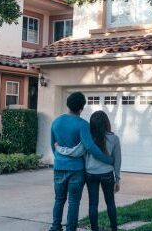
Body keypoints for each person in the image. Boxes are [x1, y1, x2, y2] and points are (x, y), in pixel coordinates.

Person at [50, 92, 114, 231]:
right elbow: (91, 147)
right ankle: (70, 228)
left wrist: (60, 160)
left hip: (59, 167)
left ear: (68, 105)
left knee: (59, 199)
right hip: (76, 169)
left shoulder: (56, 122)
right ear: (81, 108)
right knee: (73, 201)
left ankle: (55, 227)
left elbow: (52, 145)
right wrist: (108, 159)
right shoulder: (83, 125)